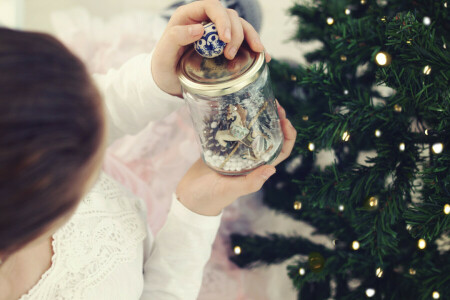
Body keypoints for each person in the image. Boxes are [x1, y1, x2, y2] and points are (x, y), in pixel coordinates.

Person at [0, 1, 297, 299]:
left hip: (128, 186)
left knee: (237, 10)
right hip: (161, 243)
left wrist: (157, 79)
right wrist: (196, 210)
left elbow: (100, 107)